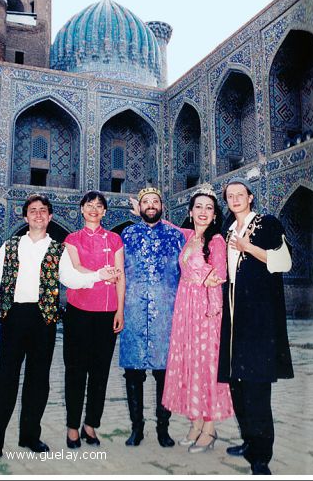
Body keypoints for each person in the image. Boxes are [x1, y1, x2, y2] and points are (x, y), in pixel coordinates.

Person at [0, 193, 118, 464]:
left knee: (38, 379)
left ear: (50, 217)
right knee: (6, 379)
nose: (38, 215)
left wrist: (96, 276)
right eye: (33, 210)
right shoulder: (10, 246)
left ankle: (30, 435)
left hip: (44, 317)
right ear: (25, 217)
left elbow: (71, 279)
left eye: (43, 210)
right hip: (14, 316)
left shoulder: (58, 249)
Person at [218, 177, 294, 476]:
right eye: (230, 195)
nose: (235, 199)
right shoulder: (227, 231)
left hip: (259, 319)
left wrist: (249, 247)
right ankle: (249, 442)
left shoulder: (267, 225)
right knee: (237, 385)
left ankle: (261, 456)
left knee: (258, 388)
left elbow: (284, 261)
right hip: (234, 319)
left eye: (240, 194)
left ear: (250, 197)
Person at [162, 183, 233, 452]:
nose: (203, 212)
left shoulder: (216, 241)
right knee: (189, 364)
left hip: (205, 310)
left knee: (207, 367)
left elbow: (220, 275)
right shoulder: (187, 236)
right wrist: (145, 209)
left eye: (209, 208)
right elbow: (166, 226)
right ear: (190, 212)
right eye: (199, 207)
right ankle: (194, 422)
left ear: (215, 215)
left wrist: (213, 309)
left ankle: (210, 428)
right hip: (185, 309)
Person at [120, 187, 185, 447]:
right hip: (134, 312)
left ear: (162, 206)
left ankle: (163, 430)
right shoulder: (127, 234)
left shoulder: (176, 236)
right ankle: (137, 429)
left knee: (163, 374)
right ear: (140, 207)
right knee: (133, 374)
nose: (150, 205)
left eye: (154, 201)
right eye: (145, 202)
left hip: (166, 315)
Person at [64, 190, 125, 448]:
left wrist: (120, 311)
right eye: (90, 205)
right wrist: (101, 274)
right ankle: (72, 427)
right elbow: (76, 268)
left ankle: (90, 424)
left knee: (99, 372)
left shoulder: (114, 239)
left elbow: (120, 276)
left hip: (106, 312)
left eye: (99, 206)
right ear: (82, 209)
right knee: (76, 371)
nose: (94, 209)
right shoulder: (72, 239)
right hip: (79, 310)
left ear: (104, 212)